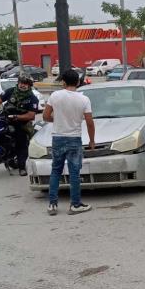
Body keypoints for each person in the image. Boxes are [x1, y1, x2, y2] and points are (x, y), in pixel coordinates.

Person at [43, 69, 95, 216]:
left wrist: (57, 120)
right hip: (74, 139)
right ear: (78, 82)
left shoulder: (55, 96)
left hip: (58, 138)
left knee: (56, 171)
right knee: (74, 173)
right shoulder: (84, 99)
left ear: (63, 82)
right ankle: (75, 204)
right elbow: (90, 123)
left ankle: (52, 204)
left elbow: (46, 116)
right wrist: (91, 140)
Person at [0, 74, 39, 176]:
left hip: (20, 123)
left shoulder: (32, 98)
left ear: (29, 86)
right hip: (5, 119)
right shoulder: (11, 91)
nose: (23, 85)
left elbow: (31, 115)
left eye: (26, 84)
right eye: (21, 83)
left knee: (21, 142)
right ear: (18, 83)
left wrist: (17, 117)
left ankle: (22, 167)